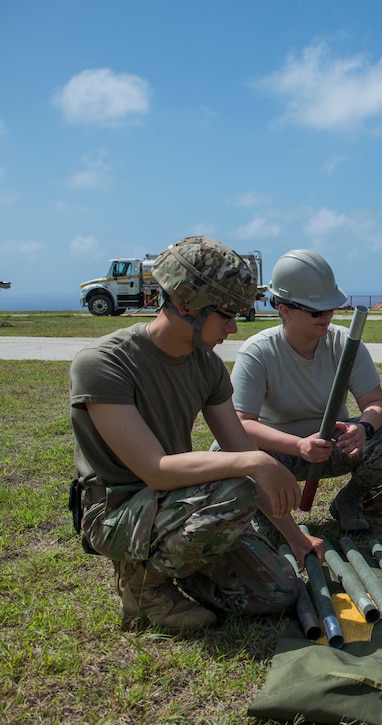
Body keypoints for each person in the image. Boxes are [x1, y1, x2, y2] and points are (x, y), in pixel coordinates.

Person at [69, 236, 321, 633]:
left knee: (279, 593)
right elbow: (155, 470)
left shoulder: (206, 367)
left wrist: (296, 539)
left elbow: (238, 441)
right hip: (117, 512)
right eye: (226, 315)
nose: (234, 328)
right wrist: (256, 462)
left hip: (178, 505)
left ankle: (175, 566)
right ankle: (145, 589)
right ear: (186, 304)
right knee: (237, 486)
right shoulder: (103, 364)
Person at [229, 249, 382, 534]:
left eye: (330, 308)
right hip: (280, 452)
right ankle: (269, 510)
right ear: (284, 309)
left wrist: (364, 428)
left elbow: (375, 401)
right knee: (226, 451)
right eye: (317, 311)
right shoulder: (258, 352)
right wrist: (299, 446)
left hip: (334, 448)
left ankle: (349, 501)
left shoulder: (344, 343)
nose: (326, 316)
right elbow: (241, 424)